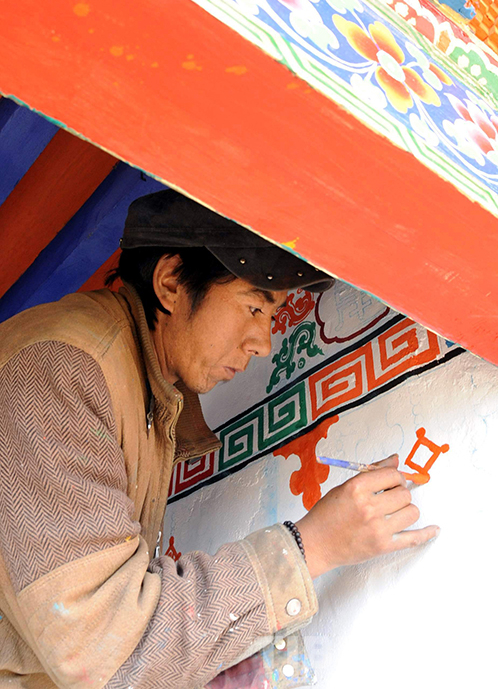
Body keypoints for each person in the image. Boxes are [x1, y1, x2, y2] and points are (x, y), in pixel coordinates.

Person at [0, 190, 439, 689]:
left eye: (272, 316)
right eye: (253, 307)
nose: (263, 343)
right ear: (171, 283)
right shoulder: (60, 367)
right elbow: (103, 649)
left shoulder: (148, 385)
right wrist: (310, 546)